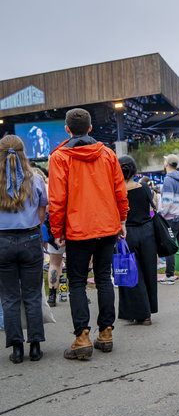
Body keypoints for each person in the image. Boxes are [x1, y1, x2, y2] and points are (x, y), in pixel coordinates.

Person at [48, 108, 129, 360]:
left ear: (67, 129)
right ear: (91, 128)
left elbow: (57, 199)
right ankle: (106, 334)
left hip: (77, 229)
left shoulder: (60, 157)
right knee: (104, 278)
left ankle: (82, 338)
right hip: (107, 227)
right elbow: (120, 190)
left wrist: (57, 231)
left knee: (77, 283)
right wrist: (122, 219)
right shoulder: (107, 154)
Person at [0, 135, 48, 363]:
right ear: (23, 152)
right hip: (30, 238)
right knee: (32, 295)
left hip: (2, 242)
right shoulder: (36, 179)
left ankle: (17, 348)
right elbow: (41, 215)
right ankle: (36, 345)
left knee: (9, 297)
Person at [117, 156, 158, 325]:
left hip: (127, 234)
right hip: (148, 233)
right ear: (134, 170)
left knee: (131, 273)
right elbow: (152, 207)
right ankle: (148, 310)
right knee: (149, 272)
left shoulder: (117, 191)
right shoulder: (144, 187)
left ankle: (139, 312)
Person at [159, 154, 179, 284]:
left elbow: (167, 201)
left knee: (170, 245)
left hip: (172, 219)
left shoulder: (168, 180)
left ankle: (169, 275)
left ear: (166, 164)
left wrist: (161, 214)